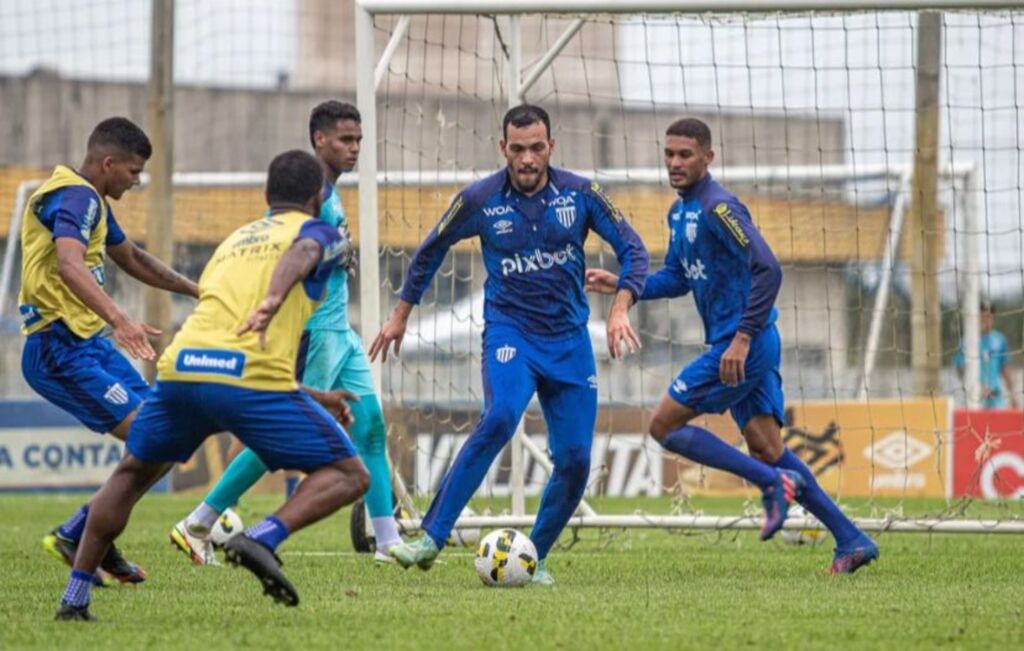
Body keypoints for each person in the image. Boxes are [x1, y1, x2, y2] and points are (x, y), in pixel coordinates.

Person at [54, 150, 369, 621]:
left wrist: (317, 395)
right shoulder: (319, 231)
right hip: (246, 379)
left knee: (131, 473)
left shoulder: (234, 241)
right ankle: (262, 538)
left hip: (181, 370)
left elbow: (222, 345)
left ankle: (74, 598)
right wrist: (274, 299)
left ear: (266, 196)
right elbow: (302, 256)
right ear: (318, 195)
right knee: (350, 475)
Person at [370, 104, 649, 585]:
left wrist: (621, 306)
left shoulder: (582, 195)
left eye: (536, 148)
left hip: (569, 342)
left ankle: (532, 557)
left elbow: (634, 250)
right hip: (510, 334)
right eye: (517, 149)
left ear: (550, 147)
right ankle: (431, 538)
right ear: (503, 149)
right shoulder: (479, 200)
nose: (527, 159)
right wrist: (400, 315)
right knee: (500, 417)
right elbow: (431, 249)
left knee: (578, 459)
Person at [586, 117, 879, 574]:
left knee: (663, 425)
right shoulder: (678, 212)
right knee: (765, 444)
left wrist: (741, 339)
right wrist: (626, 284)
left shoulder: (721, 208)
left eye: (685, 155)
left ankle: (772, 483)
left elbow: (770, 270)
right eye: (669, 154)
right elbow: (680, 277)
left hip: (746, 342)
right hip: (741, 342)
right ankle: (851, 539)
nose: (675, 163)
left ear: (708, 157)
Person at [170, 101, 403, 566]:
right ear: (319, 140)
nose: (355, 148)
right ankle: (198, 522)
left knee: (372, 426)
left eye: (358, 140)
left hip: (340, 330)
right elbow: (294, 252)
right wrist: (276, 300)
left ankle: (388, 542)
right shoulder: (309, 192)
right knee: (279, 436)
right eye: (345, 140)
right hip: (315, 332)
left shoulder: (330, 194)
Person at [21, 117, 199, 586]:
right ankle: (85, 535)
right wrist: (121, 320)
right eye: (133, 172)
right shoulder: (75, 196)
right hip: (57, 347)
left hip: (86, 345)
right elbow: (68, 263)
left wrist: (199, 291)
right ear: (107, 163)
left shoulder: (92, 202)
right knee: (154, 435)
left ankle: (84, 532)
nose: (136, 181)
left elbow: (135, 259)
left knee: (167, 435)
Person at [956, 302, 1018, 409]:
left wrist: (1013, 396)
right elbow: (960, 370)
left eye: (989, 316)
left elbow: (1004, 369)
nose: (987, 320)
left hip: (996, 398)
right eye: (983, 316)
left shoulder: (999, 339)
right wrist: (978, 388)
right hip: (973, 399)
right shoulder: (966, 342)